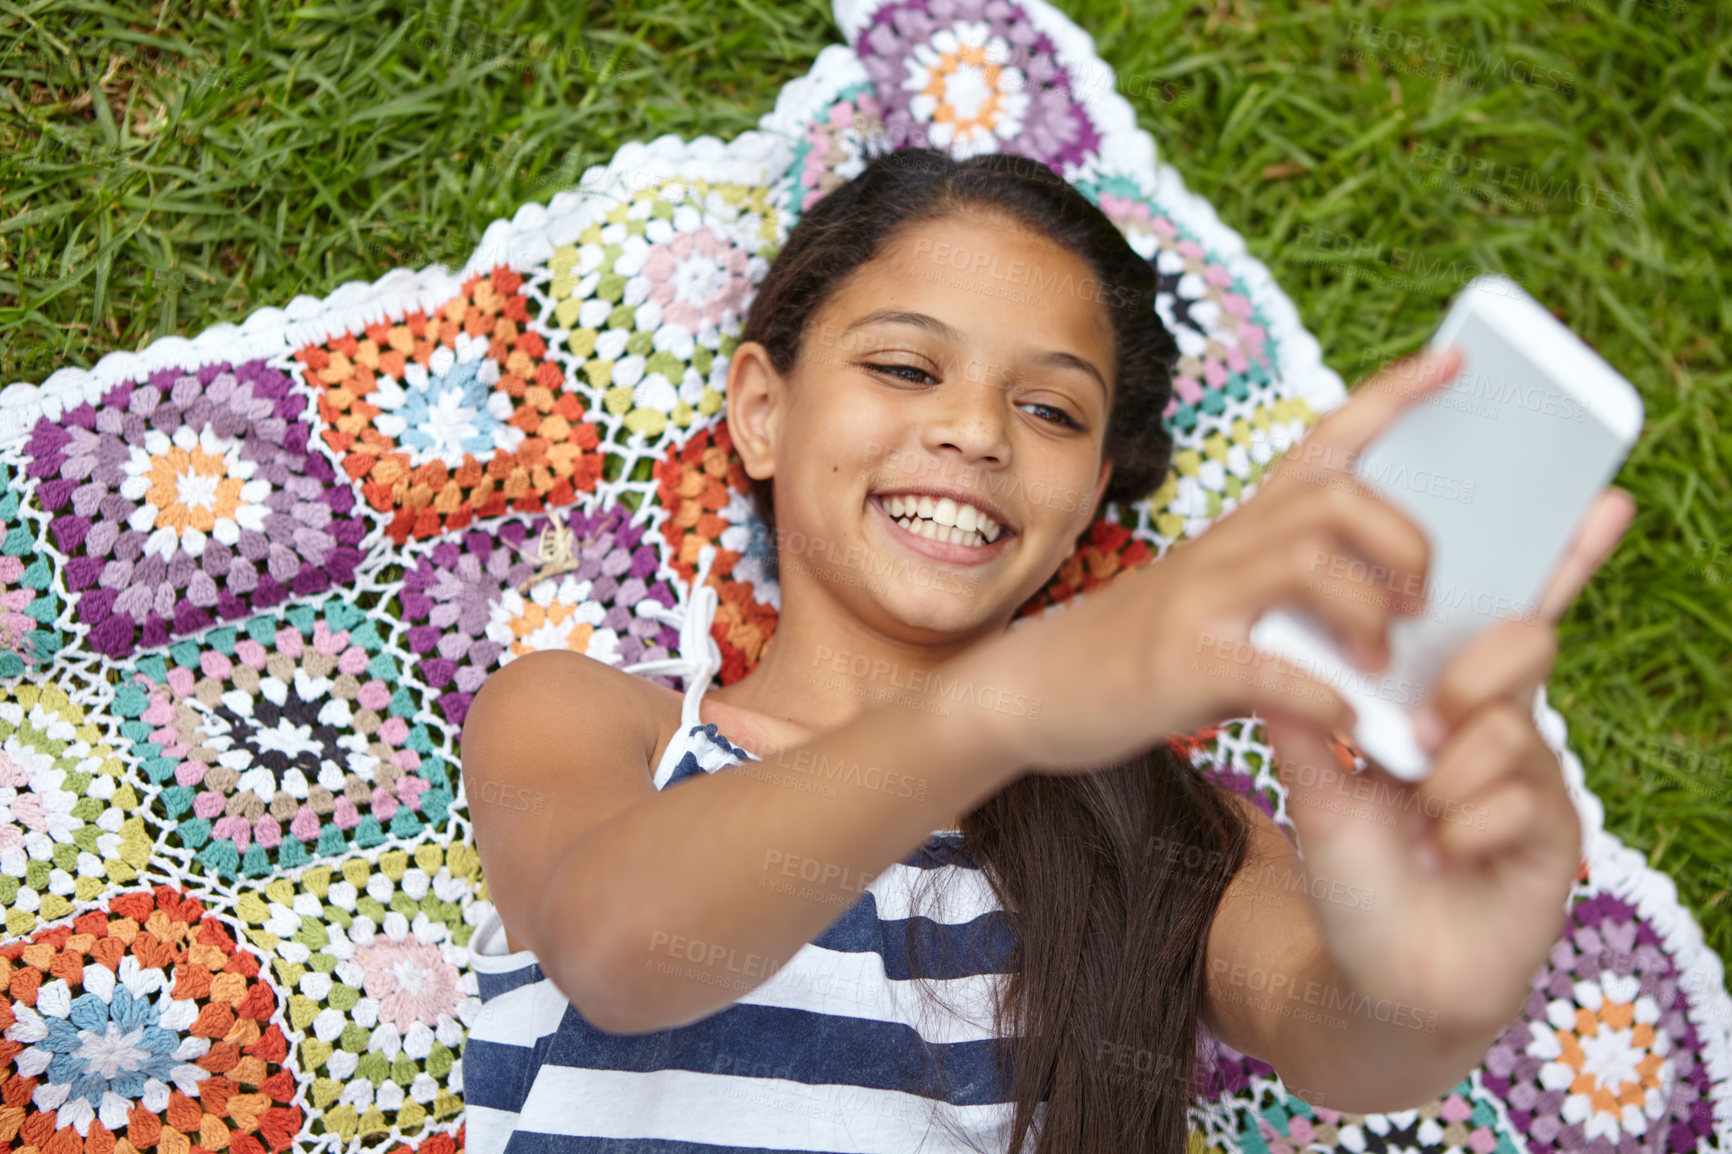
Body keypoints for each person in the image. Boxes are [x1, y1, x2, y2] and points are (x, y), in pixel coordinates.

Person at [459, 148, 1634, 1154]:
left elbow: (1347, 1033)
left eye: (1053, 411)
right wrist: (1010, 700)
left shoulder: (1173, 833)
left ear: (1090, 503)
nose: (973, 430)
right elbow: (620, 951)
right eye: (905, 367)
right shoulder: (593, 719)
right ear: (761, 409)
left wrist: (1432, 998)